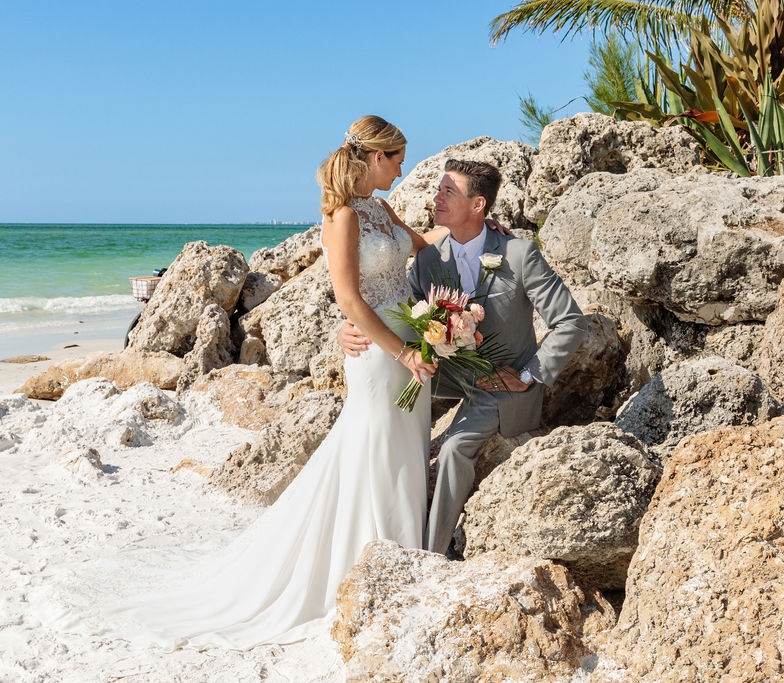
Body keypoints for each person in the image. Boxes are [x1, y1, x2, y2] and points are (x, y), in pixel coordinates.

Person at [39, 115, 465, 649]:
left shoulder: (380, 208)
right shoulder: (341, 216)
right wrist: (401, 351)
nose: (403, 169)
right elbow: (349, 297)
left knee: (401, 444)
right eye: (397, 159)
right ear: (373, 157)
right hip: (383, 353)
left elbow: (420, 245)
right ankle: (371, 560)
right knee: (374, 444)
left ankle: (401, 555)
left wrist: (474, 232)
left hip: (413, 339)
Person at [341, 158, 586, 556]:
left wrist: (527, 374)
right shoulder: (427, 260)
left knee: (454, 448)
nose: (435, 198)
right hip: (447, 371)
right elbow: (401, 310)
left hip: (501, 382)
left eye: (447, 192)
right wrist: (350, 327)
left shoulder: (520, 255)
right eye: (438, 189)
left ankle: (429, 555)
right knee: (383, 395)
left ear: (478, 206)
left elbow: (571, 321)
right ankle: (367, 518)